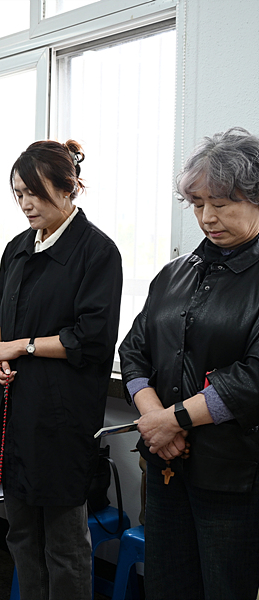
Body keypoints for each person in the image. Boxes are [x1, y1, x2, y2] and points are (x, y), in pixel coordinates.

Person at [119, 127, 259, 599]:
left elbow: (253, 377)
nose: (207, 217)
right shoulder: (175, 273)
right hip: (166, 466)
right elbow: (134, 349)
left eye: (221, 203)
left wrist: (172, 421)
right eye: (198, 204)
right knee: (166, 584)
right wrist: (155, 419)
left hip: (234, 478)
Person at [0, 140, 122, 600]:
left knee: (64, 543)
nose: (26, 204)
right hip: (14, 409)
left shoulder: (97, 251)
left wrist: (20, 348)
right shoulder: (18, 247)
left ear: (69, 189)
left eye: (35, 193)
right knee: (20, 534)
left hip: (61, 416)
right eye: (19, 193)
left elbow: (90, 337)